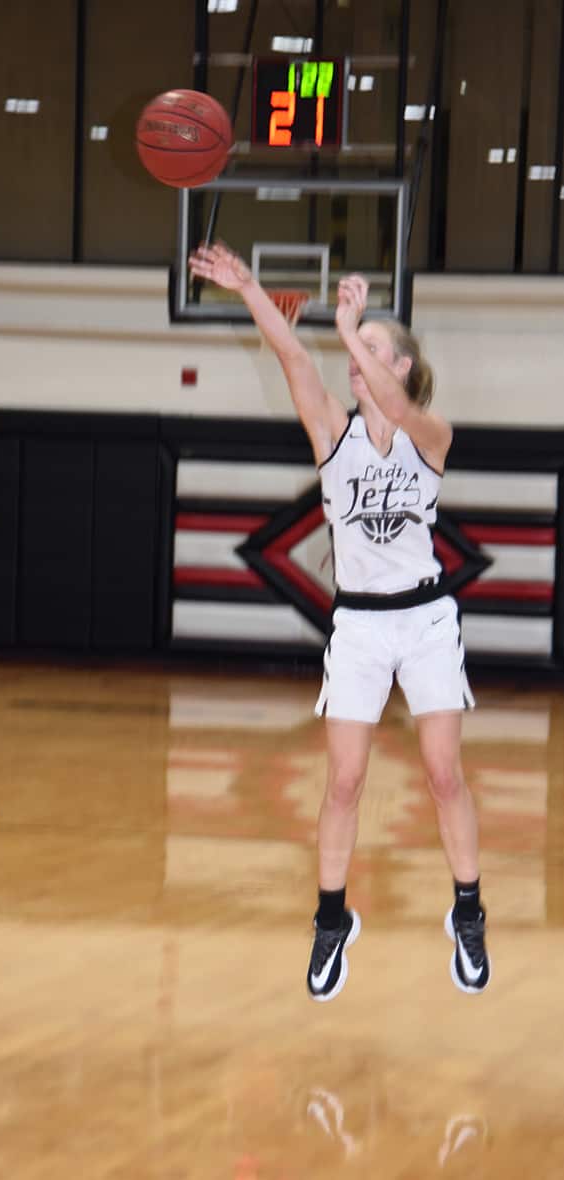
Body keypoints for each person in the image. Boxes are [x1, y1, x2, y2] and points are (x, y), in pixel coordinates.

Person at [188, 243, 489, 1001]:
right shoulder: (332, 432)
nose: (356, 363)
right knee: (345, 780)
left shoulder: (430, 434)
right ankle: (331, 919)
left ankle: (467, 911)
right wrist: (251, 288)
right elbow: (293, 358)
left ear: (403, 369)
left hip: (422, 619)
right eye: (356, 354)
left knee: (443, 773)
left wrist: (352, 326)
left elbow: (392, 402)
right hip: (357, 623)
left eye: (374, 353)